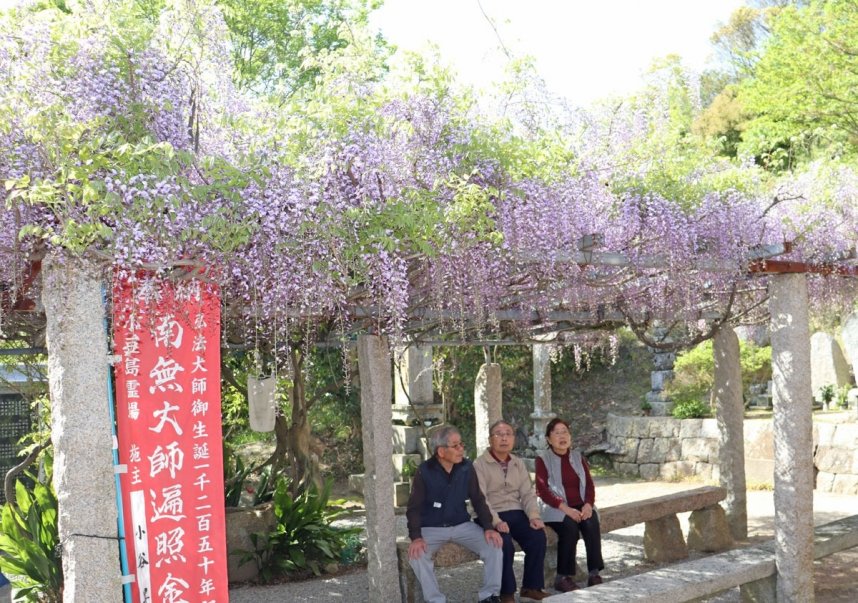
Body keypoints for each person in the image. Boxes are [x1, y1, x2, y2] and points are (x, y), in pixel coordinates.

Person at [406, 425, 504, 603]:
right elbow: (414, 508)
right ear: (441, 452)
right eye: (456, 446)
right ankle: (436, 600)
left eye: (461, 444)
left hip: (462, 525)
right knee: (417, 556)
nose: (461, 449)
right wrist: (416, 536)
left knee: (494, 545)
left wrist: (489, 527)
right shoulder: (424, 471)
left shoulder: (467, 467)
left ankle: (490, 596)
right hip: (431, 528)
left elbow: (478, 499)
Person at [473, 420, 551, 603]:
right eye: (499, 434)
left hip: (516, 512)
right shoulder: (479, 464)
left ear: (514, 439)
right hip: (490, 514)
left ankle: (531, 587)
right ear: (490, 440)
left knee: (537, 536)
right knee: (503, 542)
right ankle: (506, 592)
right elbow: (480, 499)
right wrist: (495, 522)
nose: (504, 438)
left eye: (508, 434)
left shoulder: (517, 463)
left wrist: (534, 516)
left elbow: (527, 493)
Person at [535, 418, 604, 592]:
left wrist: (588, 505)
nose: (562, 436)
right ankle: (563, 577)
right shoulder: (543, 459)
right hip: (554, 507)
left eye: (565, 431)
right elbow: (543, 490)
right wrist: (566, 509)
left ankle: (594, 573)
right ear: (549, 439)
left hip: (580, 504)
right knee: (570, 526)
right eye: (556, 433)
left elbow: (589, 484)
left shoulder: (577, 457)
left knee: (591, 522)